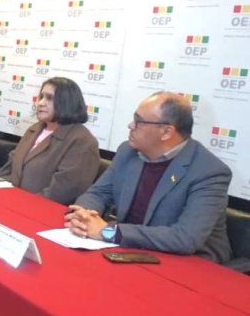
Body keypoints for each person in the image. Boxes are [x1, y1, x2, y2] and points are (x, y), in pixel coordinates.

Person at [65, 92, 232, 263]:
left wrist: (108, 232)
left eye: (139, 121)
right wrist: (83, 216)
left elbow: (185, 238)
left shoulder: (209, 172)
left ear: (166, 132)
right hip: (131, 248)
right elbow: (98, 193)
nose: (131, 125)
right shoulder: (128, 151)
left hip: (190, 261)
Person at [0, 77, 100, 205]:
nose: (41, 103)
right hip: (9, 202)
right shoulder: (35, 129)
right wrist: (0, 194)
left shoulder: (82, 142)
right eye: (41, 97)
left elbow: (62, 192)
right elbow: (9, 168)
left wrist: (20, 204)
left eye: (49, 98)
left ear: (67, 103)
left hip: (38, 209)